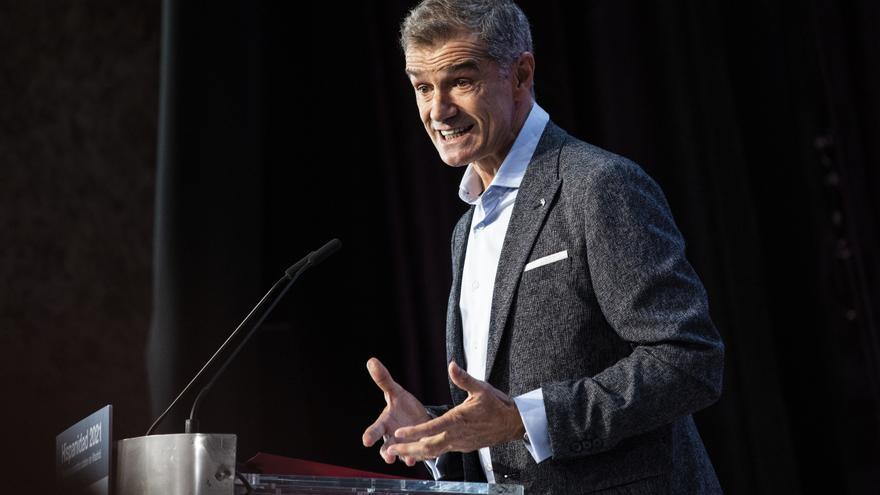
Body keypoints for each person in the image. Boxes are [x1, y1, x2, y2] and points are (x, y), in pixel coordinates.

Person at [362, 1, 725, 493]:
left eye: (461, 82)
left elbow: (689, 359)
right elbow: (504, 413)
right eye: (424, 87)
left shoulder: (597, 186)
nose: (438, 110)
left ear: (521, 74)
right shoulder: (467, 228)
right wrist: (437, 428)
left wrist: (521, 420)